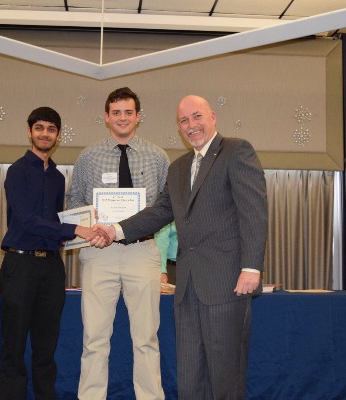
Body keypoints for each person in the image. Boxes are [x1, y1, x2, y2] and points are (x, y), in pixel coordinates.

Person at [91, 94, 268, 399]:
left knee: (225, 373)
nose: (191, 125)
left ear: (212, 117)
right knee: (189, 375)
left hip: (227, 283)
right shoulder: (178, 167)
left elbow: (253, 212)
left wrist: (251, 267)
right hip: (186, 287)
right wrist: (115, 230)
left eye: (196, 117)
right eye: (183, 120)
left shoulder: (237, 150)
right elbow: (158, 213)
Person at [66, 87, 169, 400]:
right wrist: (89, 226)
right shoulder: (88, 156)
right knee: (94, 338)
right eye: (116, 112)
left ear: (138, 117)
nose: (122, 118)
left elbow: (167, 206)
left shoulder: (158, 156)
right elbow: (73, 202)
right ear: (106, 117)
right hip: (100, 253)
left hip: (143, 252)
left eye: (128, 112)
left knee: (146, 338)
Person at [0, 107, 101, 400]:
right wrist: (77, 230)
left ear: (58, 135)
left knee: (46, 347)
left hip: (52, 269)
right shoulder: (16, 171)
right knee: (14, 347)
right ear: (30, 132)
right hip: (19, 265)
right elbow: (26, 220)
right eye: (40, 128)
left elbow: (56, 221)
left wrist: (88, 222)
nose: (45, 133)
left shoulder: (57, 177)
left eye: (51, 129)